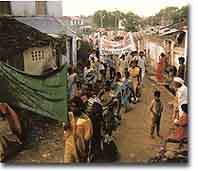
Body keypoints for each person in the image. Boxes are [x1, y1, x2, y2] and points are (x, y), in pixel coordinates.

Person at [64, 96, 93, 163]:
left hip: (80, 149)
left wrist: (85, 153)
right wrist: (66, 125)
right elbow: (65, 130)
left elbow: (87, 138)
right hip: (69, 146)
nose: (72, 109)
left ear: (80, 107)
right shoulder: (69, 116)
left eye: (75, 106)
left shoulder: (86, 120)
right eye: (71, 106)